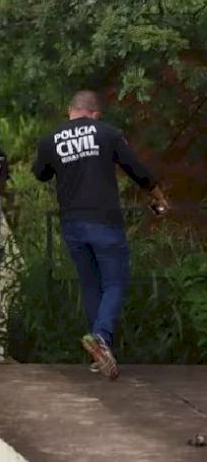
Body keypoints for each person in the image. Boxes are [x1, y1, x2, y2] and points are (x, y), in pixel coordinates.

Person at [32, 90, 169, 380]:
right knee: (116, 282)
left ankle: (99, 354)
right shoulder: (106, 133)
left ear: (71, 110)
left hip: (72, 224)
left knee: (91, 285)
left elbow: (40, 174)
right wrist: (158, 196)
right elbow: (136, 168)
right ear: (95, 113)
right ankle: (102, 337)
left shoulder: (50, 139)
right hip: (104, 220)